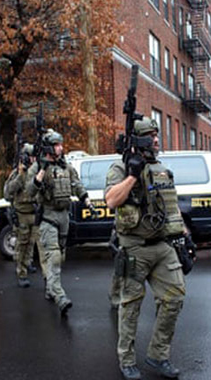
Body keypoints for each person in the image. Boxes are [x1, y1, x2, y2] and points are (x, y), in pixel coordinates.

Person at [105, 117, 187, 380]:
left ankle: (158, 354)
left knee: (174, 297)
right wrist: (132, 175)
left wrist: (184, 236)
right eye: (151, 136)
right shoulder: (120, 167)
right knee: (130, 306)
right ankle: (127, 360)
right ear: (139, 140)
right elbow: (111, 200)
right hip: (134, 248)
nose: (156, 140)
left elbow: (170, 206)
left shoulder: (161, 169)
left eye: (156, 135)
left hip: (163, 246)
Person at [27, 129, 90, 315]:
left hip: (64, 216)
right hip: (48, 216)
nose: (61, 148)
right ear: (48, 148)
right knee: (53, 257)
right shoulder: (38, 167)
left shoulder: (65, 166)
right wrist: (41, 171)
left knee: (60, 256)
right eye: (56, 145)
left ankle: (50, 287)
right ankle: (59, 296)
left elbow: (76, 184)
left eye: (61, 145)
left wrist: (85, 199)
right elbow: (29, 191)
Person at [4, 143, 44, 288]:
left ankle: (28, 263)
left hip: (34, 212)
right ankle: (21, 272)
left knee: (32, 242)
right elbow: (8, 192)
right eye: (31, 157)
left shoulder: (37, 172)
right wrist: (21, 175)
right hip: (21, 214)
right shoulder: (18, 173)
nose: (33, 160)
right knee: (22, 244)